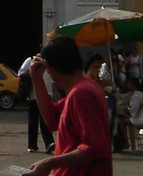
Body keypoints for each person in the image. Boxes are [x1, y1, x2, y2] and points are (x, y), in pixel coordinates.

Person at [23, 35, 112, 176]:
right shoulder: (83, 89)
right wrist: (37, 80)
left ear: (52, 68)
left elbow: (95, 147)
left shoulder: (81, 94)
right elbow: (51, 119)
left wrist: (49, 163)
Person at [19, 53, 53, 153]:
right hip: (33, 96)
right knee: (33, 122)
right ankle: (32, 145)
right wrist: (32, 72)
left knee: (45, 120)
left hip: (46, 95)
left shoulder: (48, 63)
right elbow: (20, 73)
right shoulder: (30, 60)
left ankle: (49, 143)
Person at [117, 75, 143, 151]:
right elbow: (122, 97)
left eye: (129, 83)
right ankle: (127, 143)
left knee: (121, 122)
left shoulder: (137, 95)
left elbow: (133, 112)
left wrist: (122, 112)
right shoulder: (133, 94)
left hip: (141, 119)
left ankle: (126, 142)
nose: (127, 85)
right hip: (140, 117)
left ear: (133, 84)